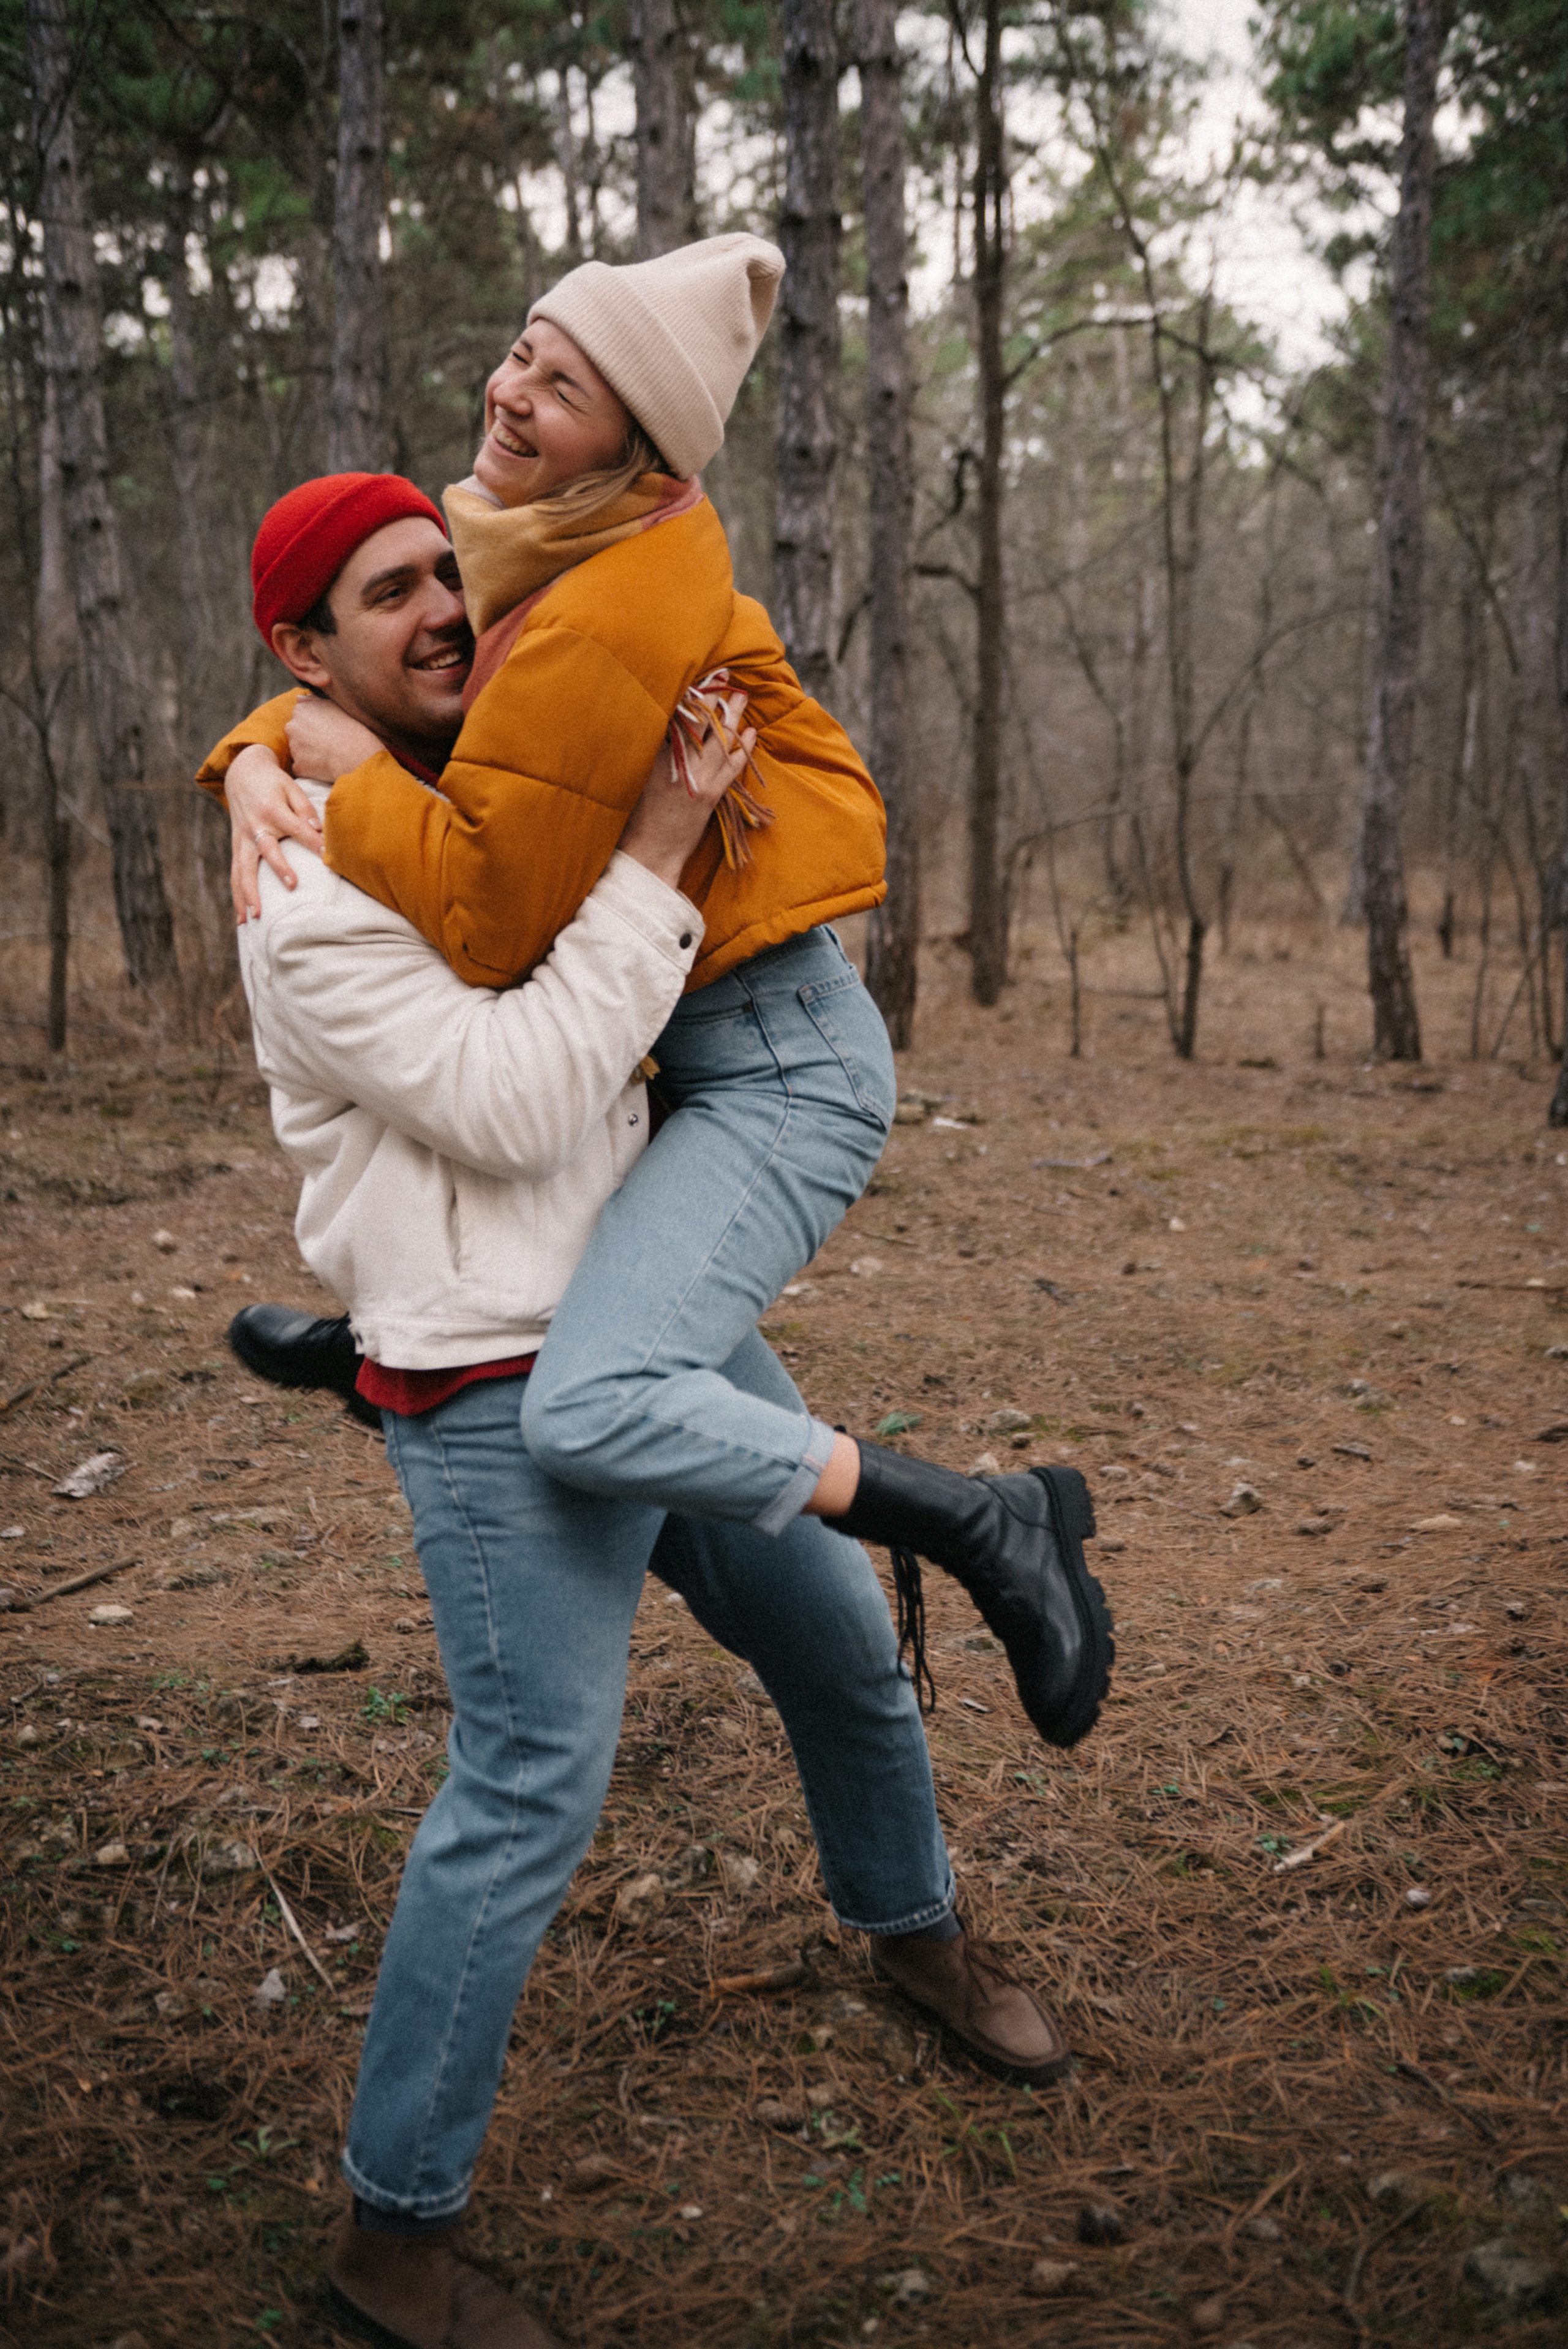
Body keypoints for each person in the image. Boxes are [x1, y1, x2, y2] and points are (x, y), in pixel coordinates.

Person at [227, 477, 1076, 2349]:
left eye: (448, 570)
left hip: (632, 1323)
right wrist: (662, 843)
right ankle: (394, 2237)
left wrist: (261, 738)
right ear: (306, 647)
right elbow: (527, 1098)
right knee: (528, 1790)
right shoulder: (305, 888)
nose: (446, 607)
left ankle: (918, 1933)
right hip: (490, 1383)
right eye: (391, 596)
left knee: (842, 1655)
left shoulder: (463, 791)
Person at [208, 234, 1112, 1757]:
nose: (512, 392)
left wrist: (342, 771)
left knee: (594, 1394)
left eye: (565, 386)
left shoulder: (613, 604)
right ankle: (393, 1337)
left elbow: (494, 923)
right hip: (678, 1035)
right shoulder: (531, 533)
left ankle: (987, 1520)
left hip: (767, 1053)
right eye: (522, 350)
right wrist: (260, 750)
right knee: (531, 1232)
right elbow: (378, 651)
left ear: (637, 442)